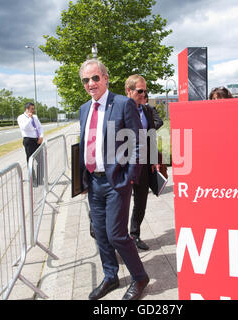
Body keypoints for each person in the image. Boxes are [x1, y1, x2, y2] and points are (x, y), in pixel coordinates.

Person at [78, 59, 149, 300]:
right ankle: (111, 275)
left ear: (106, 78)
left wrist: (130, 177)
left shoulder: (123, 104)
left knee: (117, 234)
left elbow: (139, 142)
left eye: (95, 78)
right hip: (93, 182)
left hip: (117, 181)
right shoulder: (84, 110)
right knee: (100, 233)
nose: (91, 83)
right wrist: (82, 180)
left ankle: (140, 277)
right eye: (86, 80)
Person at [125, 74, 163, 251]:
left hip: (144, 164)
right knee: (121, 203)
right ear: (129, 91)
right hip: (125, 165)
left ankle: (135, 235)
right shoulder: (120, 109)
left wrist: (154, 160)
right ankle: (118, 237)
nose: (143, 94)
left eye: (145, 91)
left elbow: (151, 136)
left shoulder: (147, 110)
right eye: (140, 91)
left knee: (141, 202)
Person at [17, 102, 44, 185]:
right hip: (28, 140)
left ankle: (40, 179)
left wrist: (41, 136)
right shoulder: (21, 117)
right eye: (32, 109)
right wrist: (29, 118)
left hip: (37, 140)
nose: (33, 110)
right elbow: (24, 127)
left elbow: (39, 127)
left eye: (33, 108)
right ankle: (33, 180)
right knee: (30, 160)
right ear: (27, 109)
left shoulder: (35, 117)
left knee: (40, 160)